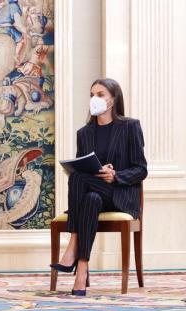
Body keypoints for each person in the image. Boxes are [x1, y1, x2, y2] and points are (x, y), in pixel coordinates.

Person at [50, 78, 147, 296]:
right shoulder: (84, 133)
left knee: (78, 180)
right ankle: (82, 268)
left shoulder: (130, 127)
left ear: (113, 99)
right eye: (92, 94)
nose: (95, 98)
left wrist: (115, 175)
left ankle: (73, 246)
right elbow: (81, 168)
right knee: (86, 192)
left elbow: (141, 169)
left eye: (101, 94)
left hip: (119, 195)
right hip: (95, 195)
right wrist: (95, 170)